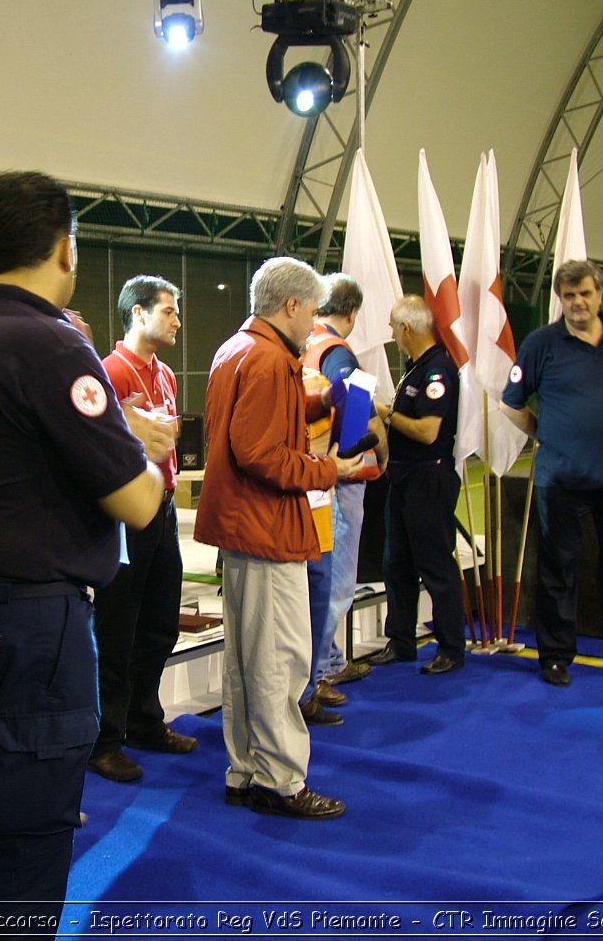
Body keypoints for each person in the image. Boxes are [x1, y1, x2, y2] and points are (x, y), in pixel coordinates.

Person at [0, 170, 173, 930]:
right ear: (67, 248)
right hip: (30, 623)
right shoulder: (51, 345)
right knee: (26, 843)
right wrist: (133, 441)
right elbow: (139, 499)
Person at [195, 256, 363, 821]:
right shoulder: (269, 360)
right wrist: (329, 470)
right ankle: (282, 780)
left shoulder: (239, 349)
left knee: (248, 660)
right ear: (291, 305)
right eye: (312, 310)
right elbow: (262, 453)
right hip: (267, 526)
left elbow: (257, 428)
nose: (316, 322)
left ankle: (247, 770)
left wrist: (319, 402)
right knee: (279, 659)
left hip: (245, 526)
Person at [502, 258, 603, 687]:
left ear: (601, 295)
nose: (577, 302)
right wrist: (545, 434)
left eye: (585, 294)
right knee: (559, 571)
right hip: (562, 482)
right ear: (560, 299)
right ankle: (555, 657)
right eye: (569, 295)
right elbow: (511, 403)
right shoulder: (542, 343)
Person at [88, 276, 197, 783]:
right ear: (138, 313)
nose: (177, 320)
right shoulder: (110, 373)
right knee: (117, 627)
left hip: (165, 507)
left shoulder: (166, 375)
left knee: (159, 622)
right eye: (169, 311)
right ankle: (105, 739)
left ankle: (143, 719)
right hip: (128, 516)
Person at [300, 273, 386, 716]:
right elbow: (352, 402)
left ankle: (327, 660)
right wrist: (367, 449)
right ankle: (319, 674)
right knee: (334, 583)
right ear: (352, 312)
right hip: (338, 477)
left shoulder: (307, 341)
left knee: (325, 580)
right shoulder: (336, 349)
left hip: (314, 474)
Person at [370, 294, 467, 674]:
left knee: (435, 563)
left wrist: (387, 413)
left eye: (394, 327)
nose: (392, 335)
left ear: (407, 328)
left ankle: (450, 646)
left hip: (429, 477)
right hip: (406, 477)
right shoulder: (416, 368)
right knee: (398, 563)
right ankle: (401, 640)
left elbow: (428, 431)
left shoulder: (437, 370)